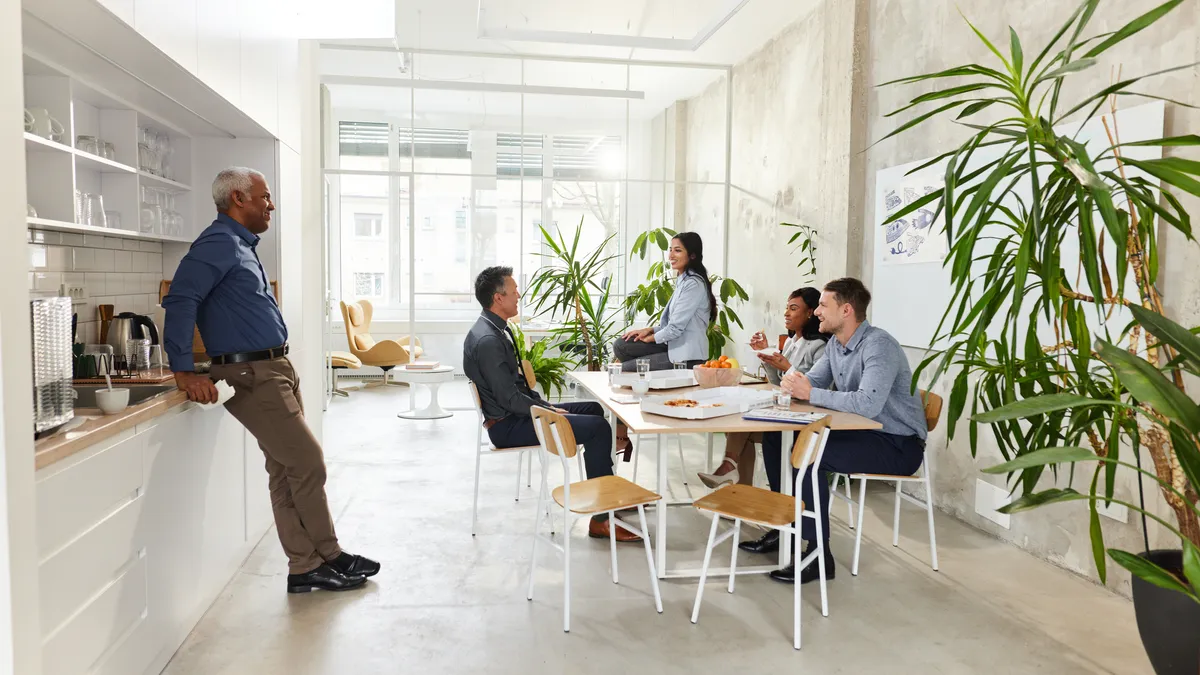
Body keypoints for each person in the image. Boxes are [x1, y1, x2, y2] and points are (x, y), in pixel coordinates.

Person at [163, 167, 380, 595]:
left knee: (284, 470)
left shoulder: (240, 245)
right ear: (239, 198)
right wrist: (183, 369)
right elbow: (181, 298)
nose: (271, 205)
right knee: (308, 461)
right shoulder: (217, 243)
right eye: (265, 197)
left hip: (274, 368)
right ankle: (328, 556)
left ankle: (306, 565)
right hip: (253, 375)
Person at [767, 277, 928, 584]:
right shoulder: (837, 346)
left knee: (811, 457)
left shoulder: (879, 346)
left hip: (898, 444)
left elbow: (867, 404)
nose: (816, 313)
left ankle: (818, 556)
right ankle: (782, 528)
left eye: (823, 306)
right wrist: (792, 383)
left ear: (846, 311)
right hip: (864, 433)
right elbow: (811, 382)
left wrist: (808, 392)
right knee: (776, 437)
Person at [463, 266, 640, 542]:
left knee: (593, 409)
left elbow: (515, 388)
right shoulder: (488, 339)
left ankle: (606, 492)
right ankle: (601, 519)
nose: (518, 294)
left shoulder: (494, 329)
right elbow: (509, 399)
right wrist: (547, 410)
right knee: (598, 428)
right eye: (514, 290)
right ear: (498, 298)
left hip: (517, 414)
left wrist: (546, 406)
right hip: (507, 426)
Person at [696, 286, 829, 488]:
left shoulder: (820, 346)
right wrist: (766, 356)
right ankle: (738, 487)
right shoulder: (793, 341)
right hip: (786, 412)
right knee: (742, 427)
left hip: (803, 421)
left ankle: (730, 473)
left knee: (744, 426)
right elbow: (777, 385)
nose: (786, 313)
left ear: (810, 312)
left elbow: (813, 388)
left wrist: (787, 366)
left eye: (793, 308)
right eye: (786, 308)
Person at [613, 232, 715, 372]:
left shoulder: (693, 284)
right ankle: (650, 373)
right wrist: (649, 330)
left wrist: (651, 338)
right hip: (673, 345)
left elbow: (675, 328)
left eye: (677, 250)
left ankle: (646, 374)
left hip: (687, 356)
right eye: (670, 250)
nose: (671, 255)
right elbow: (671, 325)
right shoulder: (683, 281)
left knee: (624, 369)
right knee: (621, 345)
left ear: (692, 255)